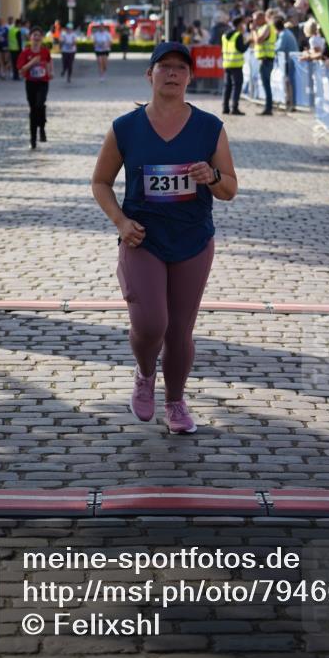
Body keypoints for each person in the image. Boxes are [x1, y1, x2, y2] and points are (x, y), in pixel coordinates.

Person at [91, 42, 238, 434]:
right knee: (151, 322)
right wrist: (121, 222)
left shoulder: (210, 127)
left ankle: (175, 401)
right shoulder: (125, 127)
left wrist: (213, 177)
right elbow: (101, 182)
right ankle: (143, 374)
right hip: (143, 240)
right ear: (150, 74)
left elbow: (230, 190)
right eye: (164, 67)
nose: (172, 73)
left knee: (179, 331)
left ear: (190, 77)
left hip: (192, 240)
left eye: (180, 68)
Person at [16, 26, 54, 149]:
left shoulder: (45, 51)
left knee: (40, 104)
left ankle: (42, 127)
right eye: (34, 35)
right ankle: (33, 138)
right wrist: (32, 62)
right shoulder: (25, 53)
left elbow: (48, 62)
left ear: (42, 38)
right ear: (30, 38)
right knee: (33, 109)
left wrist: (50, 72)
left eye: (39, 35)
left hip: (43, 82)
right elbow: (21, 70)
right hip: (30, 83)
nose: (36, 38)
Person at [221, 14, 249, 115]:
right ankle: (234, 108)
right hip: (236, 65)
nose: (244, 25)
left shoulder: (224, 35)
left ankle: (225, 108)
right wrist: (248, 42)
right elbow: (241, 49)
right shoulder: (238, 35)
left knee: (227, 86)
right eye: (243, 23)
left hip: (227, 63)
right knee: (237, 86)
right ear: (239, 24)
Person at [251, 10, 275, 115]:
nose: (254, 21)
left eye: (256, 19)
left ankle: (268, 108)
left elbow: (258, 40)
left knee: (266, 85)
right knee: (266, 85)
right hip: (263, 60)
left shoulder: (267, 27)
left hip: (266, 60)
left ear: (262, 18)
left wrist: (253, 30)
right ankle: (268, 107)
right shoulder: (261, 28)